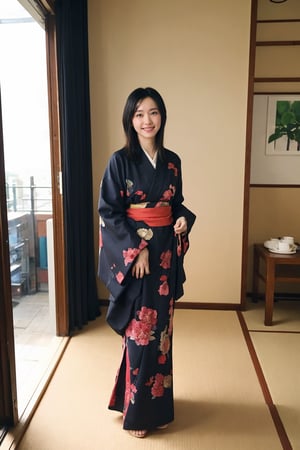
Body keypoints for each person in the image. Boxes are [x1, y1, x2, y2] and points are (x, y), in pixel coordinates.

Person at [98, 87, 196, 438]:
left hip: (166, 256)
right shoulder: (119, 161)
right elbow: (109, 212)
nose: (147, 120)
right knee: (139, 333)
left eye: (153, 112)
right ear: (130, 119)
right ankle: (138, 413)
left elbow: (177, 202)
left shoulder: (172, 162)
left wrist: (183, 218)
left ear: (162, 117)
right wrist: (136, 249)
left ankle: (155, 405)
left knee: (162, 335)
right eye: (139, 114)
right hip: (138, 260)